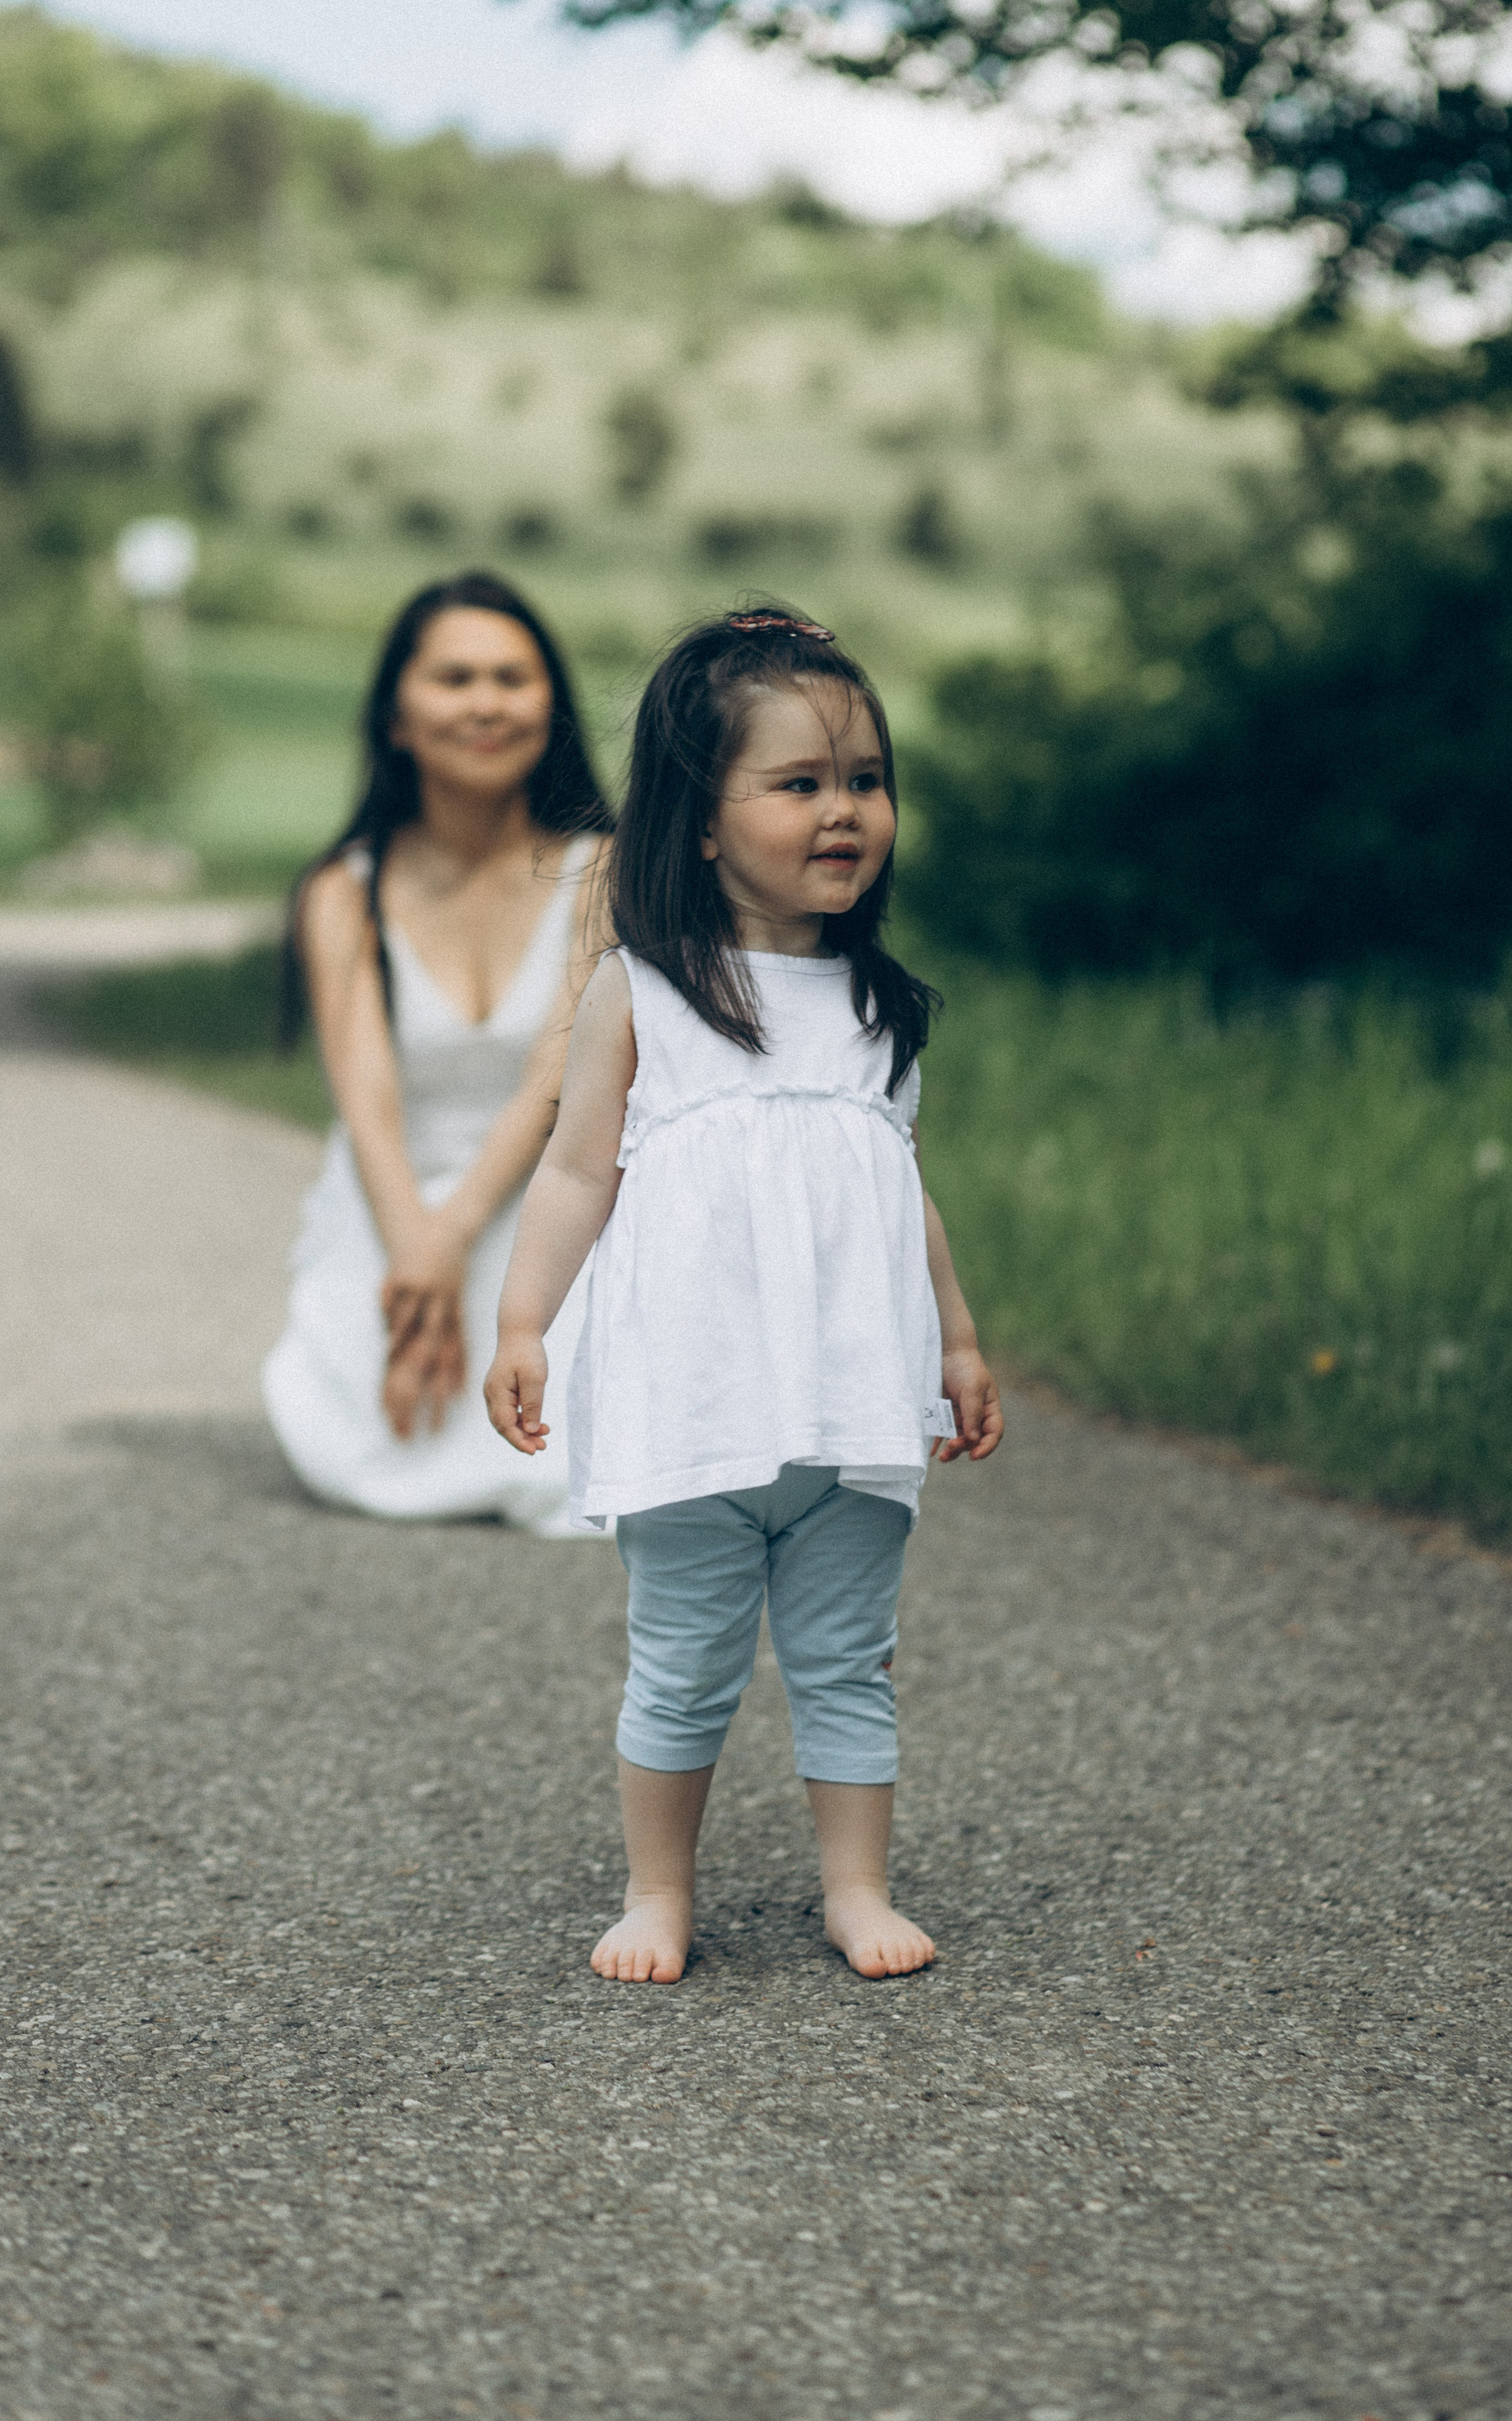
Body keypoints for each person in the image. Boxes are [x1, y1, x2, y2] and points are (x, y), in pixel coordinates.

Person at [482, 607, 1003, 1982]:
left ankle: (856, 1887)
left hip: (848, 1409)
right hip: (693, 1408)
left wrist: (952, 1338)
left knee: (848, 1659)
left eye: (864, 780)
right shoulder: (642, 991)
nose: (843, 811)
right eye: (798, 784)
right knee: (683, 1664)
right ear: (701, 823)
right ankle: (658, 1891)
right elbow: (574, 1176)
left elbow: (901, 1189)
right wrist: (524, 1321)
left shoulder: (881, 1007)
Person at [263, 571, 613, 1531]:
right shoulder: (343, 890)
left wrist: (456, 1244)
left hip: (554, 1196)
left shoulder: (605, 871)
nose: (488, 704)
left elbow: (561, 1080)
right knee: (353, 1446)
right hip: (391, 1200)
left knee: (568, 1467)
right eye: (455, 680)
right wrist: (415, 1254)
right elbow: (367, 1102)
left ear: (553, 707)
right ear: (397, 718)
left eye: (514, 678)